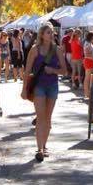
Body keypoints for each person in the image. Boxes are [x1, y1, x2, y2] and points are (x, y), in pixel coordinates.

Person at [21, 23, 68, 162]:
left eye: (52, 32)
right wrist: (24, 89)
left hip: (52, 86)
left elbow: (65, 70)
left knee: (48, 118)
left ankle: (45, 145)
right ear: (41, 34)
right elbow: (27, 70)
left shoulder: (57, 50)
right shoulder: (35, 50)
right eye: (48, 32)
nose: (51, 34)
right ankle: (39, 148)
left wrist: (53, 70)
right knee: (40, 118)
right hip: (39, 86)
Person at [83, 32, 93, 99]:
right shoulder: (87, 44)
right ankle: (86, 93)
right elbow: (87, 54)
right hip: (89, 61)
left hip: (90, 61)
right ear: (91, 37)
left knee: (88, 77)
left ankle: (87, 92)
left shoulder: (89, 43)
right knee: (87, 77)